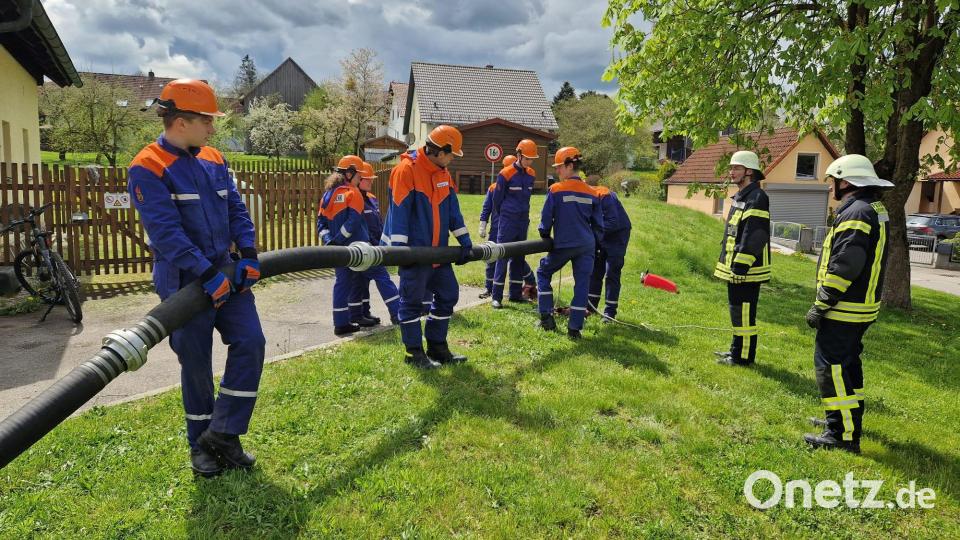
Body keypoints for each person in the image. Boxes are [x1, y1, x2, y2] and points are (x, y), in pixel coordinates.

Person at [128, 79, 264, 477]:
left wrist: (250, 253)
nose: (212, 127)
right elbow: (165, 233)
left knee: (251, 342)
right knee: (197, 365)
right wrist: (205, 273)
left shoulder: (214, 159)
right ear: (182, 121)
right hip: (184, 283)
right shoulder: (148, 166)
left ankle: (224, 434)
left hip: (227, 272)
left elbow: (236, 209)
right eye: (207, 120)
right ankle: (199, 446)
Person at [803, 154, 892, 454]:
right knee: (849, 367)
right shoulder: (873, 209)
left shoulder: (855, 214)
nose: (830, 188)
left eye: (833, 181)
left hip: (844, 308)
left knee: (832, 369)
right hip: (861, 307)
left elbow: (846, 265)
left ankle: (840, 435)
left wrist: (822, 303)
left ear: (846, 180)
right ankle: (844, 423)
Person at [383, 125, 474, 369]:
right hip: (415, 254)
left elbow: (452, 210)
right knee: (411, 302)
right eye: (452, 154)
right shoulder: (406, 170)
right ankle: (414, 353)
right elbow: (399, 212)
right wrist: (400, 252)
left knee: (448, 294)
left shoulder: (443, 173)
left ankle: (437, 347)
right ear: (441, 150)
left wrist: (464, 241)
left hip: (439, 254)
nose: (453, 158)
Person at [536, 147, 603, 339]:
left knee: (543, 272)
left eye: (559, 167)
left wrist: (544, 234)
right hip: (587, 245)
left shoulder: (556, 189)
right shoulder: (592, 192)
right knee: (582, 285)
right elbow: (599, 226)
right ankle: (575, 329)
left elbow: (546, 219)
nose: (556, 171)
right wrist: (594, 245)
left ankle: (546, 317)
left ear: (570, 165)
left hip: (565, 243)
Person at [713, 150, 771, 366]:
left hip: (746, 271)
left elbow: (754, 236)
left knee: (744, 315)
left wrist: (739, 267)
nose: (731, 172)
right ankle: (735, 352)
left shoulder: (757, 198)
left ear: (749, 172)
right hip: (738, 269)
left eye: (736, 168)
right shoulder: (744, 196)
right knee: (738, 313)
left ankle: (743, 358)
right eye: (731, 168)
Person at [317, 155, 369, 336]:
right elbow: (353, 221)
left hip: (336, 250)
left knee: (342, 284)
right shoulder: (353, 193)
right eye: (359, 176)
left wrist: (329, 241)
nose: (360, 179)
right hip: (355, 249)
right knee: (365, 279)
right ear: (349, 173)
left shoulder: (327, 195)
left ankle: (341, 322)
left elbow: (320, 224)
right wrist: (339, 240)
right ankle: (365, 315)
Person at [349, 162, 400, 325]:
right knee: (382, 278)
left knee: (361, 282)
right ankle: (397, 313)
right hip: (364, 248)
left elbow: (378, 223)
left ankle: (360, 314)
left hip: (375, 247)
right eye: (367, 179)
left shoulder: (371, 199)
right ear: (358, 179)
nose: (371, 182)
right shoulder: (354, 198)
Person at [490, 139, 539, 307]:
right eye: (527, 158)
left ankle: (515, 294)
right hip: (507, 221)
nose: (529, 162)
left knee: (519, 256)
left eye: (532, 159)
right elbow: (497, 200)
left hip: (522, 221)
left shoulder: (532, 174)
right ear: (518, 155)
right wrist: (505, 215)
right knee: (502, 255)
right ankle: (496, 297)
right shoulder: (505, 174)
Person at [587, 184, 632, 321]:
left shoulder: (604, 195)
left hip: (618, 235)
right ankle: (591, 308)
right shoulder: (582, 198)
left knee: (612, 271)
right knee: (595, 271)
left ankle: (609, 313)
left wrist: (590, 231)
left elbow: (613, 222)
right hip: (601, 234)